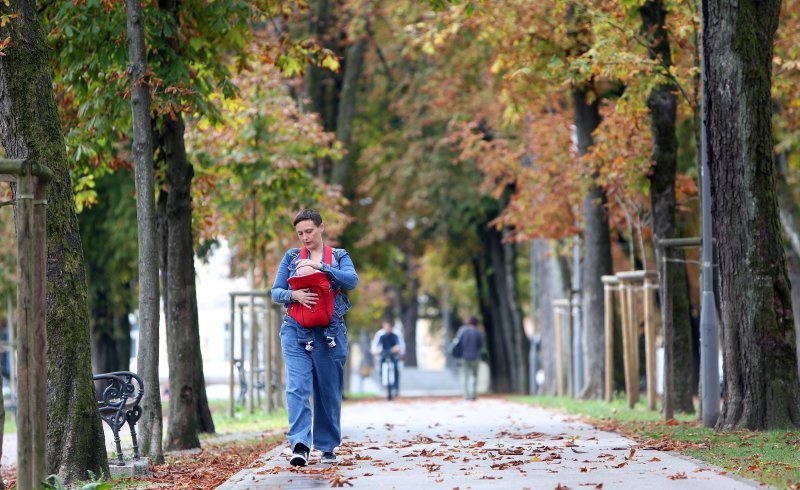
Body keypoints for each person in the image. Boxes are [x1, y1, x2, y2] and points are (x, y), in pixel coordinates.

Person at [272, 209, 358, 467]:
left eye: (309, 231)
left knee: (327, 392)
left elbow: (352, 281)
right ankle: (300, 444)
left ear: (321, 227)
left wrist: (321, 267)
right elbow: (276, 291)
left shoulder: (339, 256)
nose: (305, 237)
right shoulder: (291, 257)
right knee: (297, 388)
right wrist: (293, 296)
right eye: (300, 233)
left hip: (329, 334)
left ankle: (327, 446)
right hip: (295, 331)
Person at [451, 316, 484, 401]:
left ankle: (466, 395)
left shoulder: (462, 330)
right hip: (475, 357)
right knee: (474, 376)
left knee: (464, 376)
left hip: (464, 357)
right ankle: (473, 394)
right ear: (476, 323)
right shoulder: (478, 332)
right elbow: (480, 345)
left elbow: (458, 342)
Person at [371, 321, 405, 393]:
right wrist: (375, 351)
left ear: (391, 327)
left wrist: (399, 350)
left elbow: (400, 344)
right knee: (381, 365)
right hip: (384, 353)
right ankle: (383, 380)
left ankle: (395, 387)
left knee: (396, 367)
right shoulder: (380, 334)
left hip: (393, 354)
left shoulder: (396, 334)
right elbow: (375, 345)